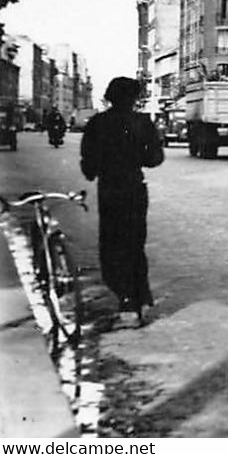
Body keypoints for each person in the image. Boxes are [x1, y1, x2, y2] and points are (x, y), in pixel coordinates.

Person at [80, 77, 164, 328]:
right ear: (134, 98)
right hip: (135, 189)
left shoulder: (97, 123)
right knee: (135, 243)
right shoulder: (143, 123)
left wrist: (97, 168)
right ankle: (138, 299)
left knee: (112, 245)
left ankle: (125, 299)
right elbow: (155, 158)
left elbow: (88, 166)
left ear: (110, 96)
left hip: (110, 191)